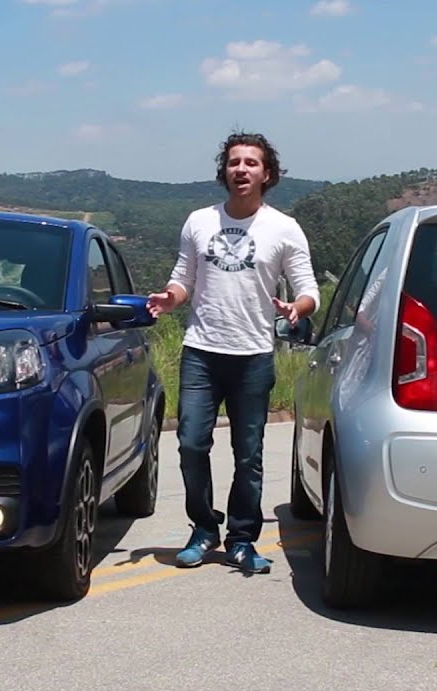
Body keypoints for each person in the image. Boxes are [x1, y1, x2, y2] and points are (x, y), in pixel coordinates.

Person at [146, 131, 320, 574]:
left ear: (267, 174)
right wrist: (171, 297)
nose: (241, 169)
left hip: (254, 354)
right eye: (234, 162)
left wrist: (295, 309)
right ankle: (204, 528)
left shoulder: (283, 228)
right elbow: (183, 276)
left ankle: (242, 538)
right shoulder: (199, 221)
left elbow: (308, 290)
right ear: (224, 170)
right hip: (202, 351)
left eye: (251, 163)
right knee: (189, 444)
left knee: (249, 454)